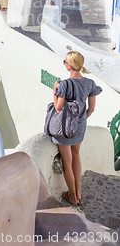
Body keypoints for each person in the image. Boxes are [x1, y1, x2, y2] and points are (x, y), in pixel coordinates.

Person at [52, 51, 102, 206]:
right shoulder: (90, 83)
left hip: (65, 128)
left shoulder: (65, 84)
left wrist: (55, 89)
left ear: (70, 65)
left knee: (67, 162)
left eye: (65, 61)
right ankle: (78, 192)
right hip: (80, 127)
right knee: (76, 155)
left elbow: (58, 107)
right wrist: (80, 120)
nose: (64, 64)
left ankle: (72, 196)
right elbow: (91, 109)